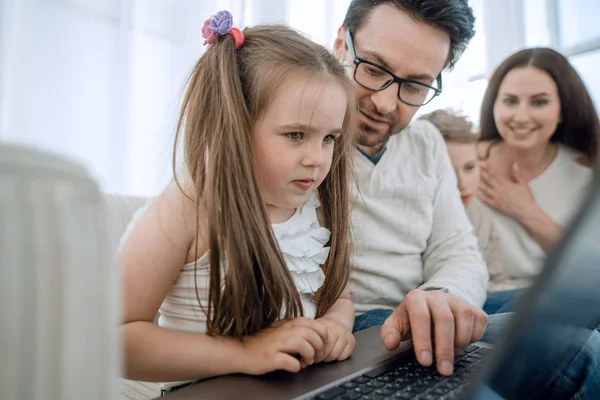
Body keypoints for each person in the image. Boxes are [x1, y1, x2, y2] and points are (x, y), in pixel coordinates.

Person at [118, 13, 358, 395]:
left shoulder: (312, 205)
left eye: (329, 138)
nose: (317, 158)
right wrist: (245, 353)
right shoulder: (189, 207)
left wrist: (336, 327)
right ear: (233, 125)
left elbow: (339, 298)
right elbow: (118, 341)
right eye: (296, 134)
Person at [333, 0, 489, 377]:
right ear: (341, 45)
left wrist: (443, 296)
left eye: (416, 86)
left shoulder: (426, 141)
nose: (385, 103)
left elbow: (457, 251)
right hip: (357, 323)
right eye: (372, 69)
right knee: (578, 350)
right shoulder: (299, 138)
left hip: (424, 301)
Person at [477, 47, 600, 290]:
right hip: (481, 303)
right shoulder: (464, 163)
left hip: (556, 305)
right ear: (494, 105)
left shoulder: (588, 176)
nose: (521, 117)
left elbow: (592, 274)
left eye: (539, 102)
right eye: (510, 101)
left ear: (562, 110)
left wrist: (526, 210)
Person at [419, 109, 517, 316]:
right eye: (449, 172)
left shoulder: (482, 216)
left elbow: (497, 278)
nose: (462, 183)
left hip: (480, 299)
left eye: (470, 168)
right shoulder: (417, 214)